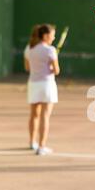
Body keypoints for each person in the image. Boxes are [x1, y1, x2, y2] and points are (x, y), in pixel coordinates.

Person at [24, 24, 60, 156]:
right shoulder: (51, 50)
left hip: (33, 84)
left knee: (34, 115)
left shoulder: (29, 48)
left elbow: (27, 68)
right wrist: (49, 68)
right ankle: (41, 146)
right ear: (45, 36)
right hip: (47, 85)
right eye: (52, 34)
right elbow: (56, 70)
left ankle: (32, 143)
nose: (54, 37)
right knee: (45, 116)